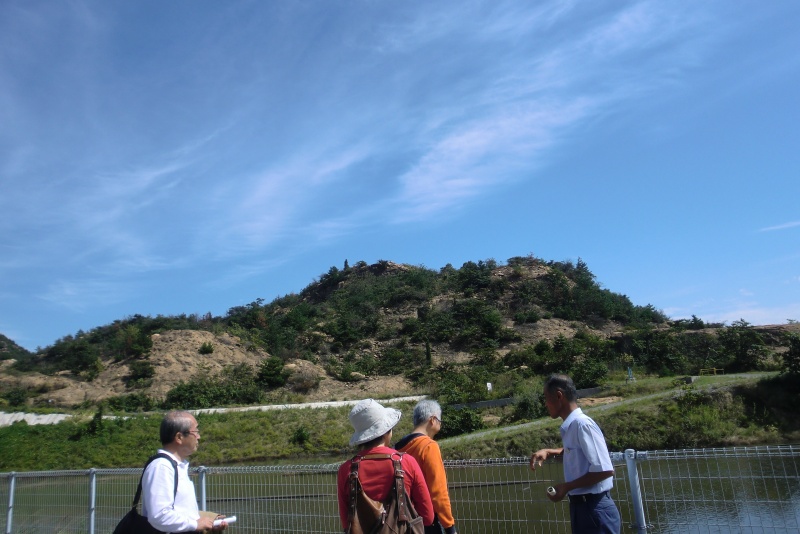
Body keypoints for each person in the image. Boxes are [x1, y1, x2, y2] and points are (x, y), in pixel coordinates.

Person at [529, 375, 621, 534]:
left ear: (559, 396)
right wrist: (550, 452)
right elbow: (579, 454)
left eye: (546, 398)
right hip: (583, 508)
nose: (545, 404)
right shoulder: (571, 426)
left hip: (594, 509)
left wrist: (566, 487)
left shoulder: (582, 424)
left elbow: (605, 469)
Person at [337, 399, 435, 531]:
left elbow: (346, 523)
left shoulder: (346, 470)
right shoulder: (406, 462)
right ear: (386, 431)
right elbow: (427, 516)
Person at [142, 411, 227, 532]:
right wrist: (195, 524)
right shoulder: (162, 467)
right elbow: (159, 516)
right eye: (196, 431)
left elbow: (180, 511)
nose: (199, 437)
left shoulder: (175, 466)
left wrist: (208, 520)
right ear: (179, 437)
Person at [395, 400, 458, 534]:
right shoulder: (428, 446)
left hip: (403, 519)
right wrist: (450, 527)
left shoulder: (397, 447)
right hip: (427, 522)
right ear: (432, 420)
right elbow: (438, 492)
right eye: (440, 421)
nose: (440, 424)